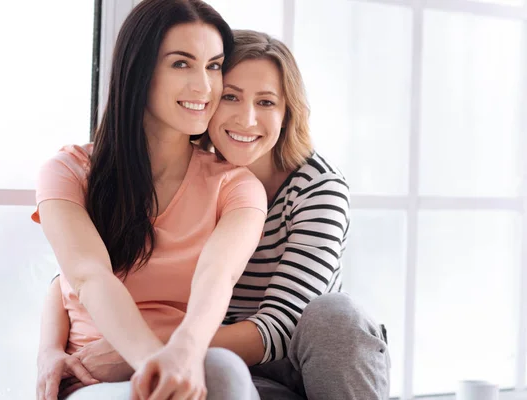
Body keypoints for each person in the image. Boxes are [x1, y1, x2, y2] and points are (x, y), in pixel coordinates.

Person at [38, 27, 391, 400]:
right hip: (217, 362)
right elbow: (77, 276)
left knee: (336, 314)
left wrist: (142, 352)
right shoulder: (189, 171)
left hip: (293, 358)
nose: (247, 119)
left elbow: (280, 327)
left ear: (289, 113)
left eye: (267, 102)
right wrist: (51, 351)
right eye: (231, 97)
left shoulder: (317, 188)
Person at [32, 1, 267, 399]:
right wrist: (154, 364)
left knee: (223, 369)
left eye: (213, 65)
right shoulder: (68, 171)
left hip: (186, 364)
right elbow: (88, 276)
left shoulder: (236, 187)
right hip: (94, 378)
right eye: (181, 64)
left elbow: (218, 276)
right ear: (139, 69)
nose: (205, 86)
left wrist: (185, 355)